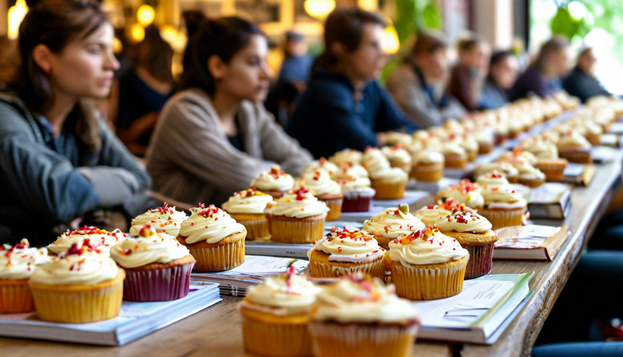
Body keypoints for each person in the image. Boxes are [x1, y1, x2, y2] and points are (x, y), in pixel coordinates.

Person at [0, 0, 151, 244]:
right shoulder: (5, 117)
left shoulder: (83, 116)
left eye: (110, 50)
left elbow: (141, 182)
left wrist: (114, 214)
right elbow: (61, 194)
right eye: (95, 50)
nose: (112, 64)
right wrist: (90, 186)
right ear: (45, 58)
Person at [146, 13, 312, 206]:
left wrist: (301, 177)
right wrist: (298, 180)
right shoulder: (185, 111)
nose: (267, 73)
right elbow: (245, 176)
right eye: (253, 62)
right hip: (171, 233)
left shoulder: (249, 110)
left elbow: (300, 160)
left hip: (232, 233)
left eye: (265, 61)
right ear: (217, 66)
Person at [286, 7, 417, 159]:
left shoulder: (369, 84)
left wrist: (388, 137)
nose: (382, 53)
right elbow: (366, 144)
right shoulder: (325, 91)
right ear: (339, 49)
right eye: (373, 45)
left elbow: (406, 126)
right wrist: (390, 137)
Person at [114, 25, 176, 157]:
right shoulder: (131, 81)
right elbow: (122, 136)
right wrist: (154, 118)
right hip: (141, 153)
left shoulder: (174, 85)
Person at [385, 31, 466, 128]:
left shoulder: (431, 80)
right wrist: (447, 115)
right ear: (423, 57)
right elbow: (428, 122)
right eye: (442, 56)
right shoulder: (401, 79)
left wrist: (442, 114)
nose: (448, 63)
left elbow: (458, 109)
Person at [264, 30, 313, 125]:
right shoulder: (279, 58)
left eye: (294, 42)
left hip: (299, 95)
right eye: (289, 42)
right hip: (281, 96)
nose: (291, 45)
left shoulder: (308, 61)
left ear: (302, 44)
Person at [510, 36, 570, 100]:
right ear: (553, 56)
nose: (569, 63)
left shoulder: (552, 76)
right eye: (565, 58)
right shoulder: (534, 77)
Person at [446, 38, 491, 111]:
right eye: (479, 55)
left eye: (486, 56)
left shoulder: (471, 72)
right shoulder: (459, 72)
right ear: (464, 54)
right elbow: (470, 104)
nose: (484, 60)